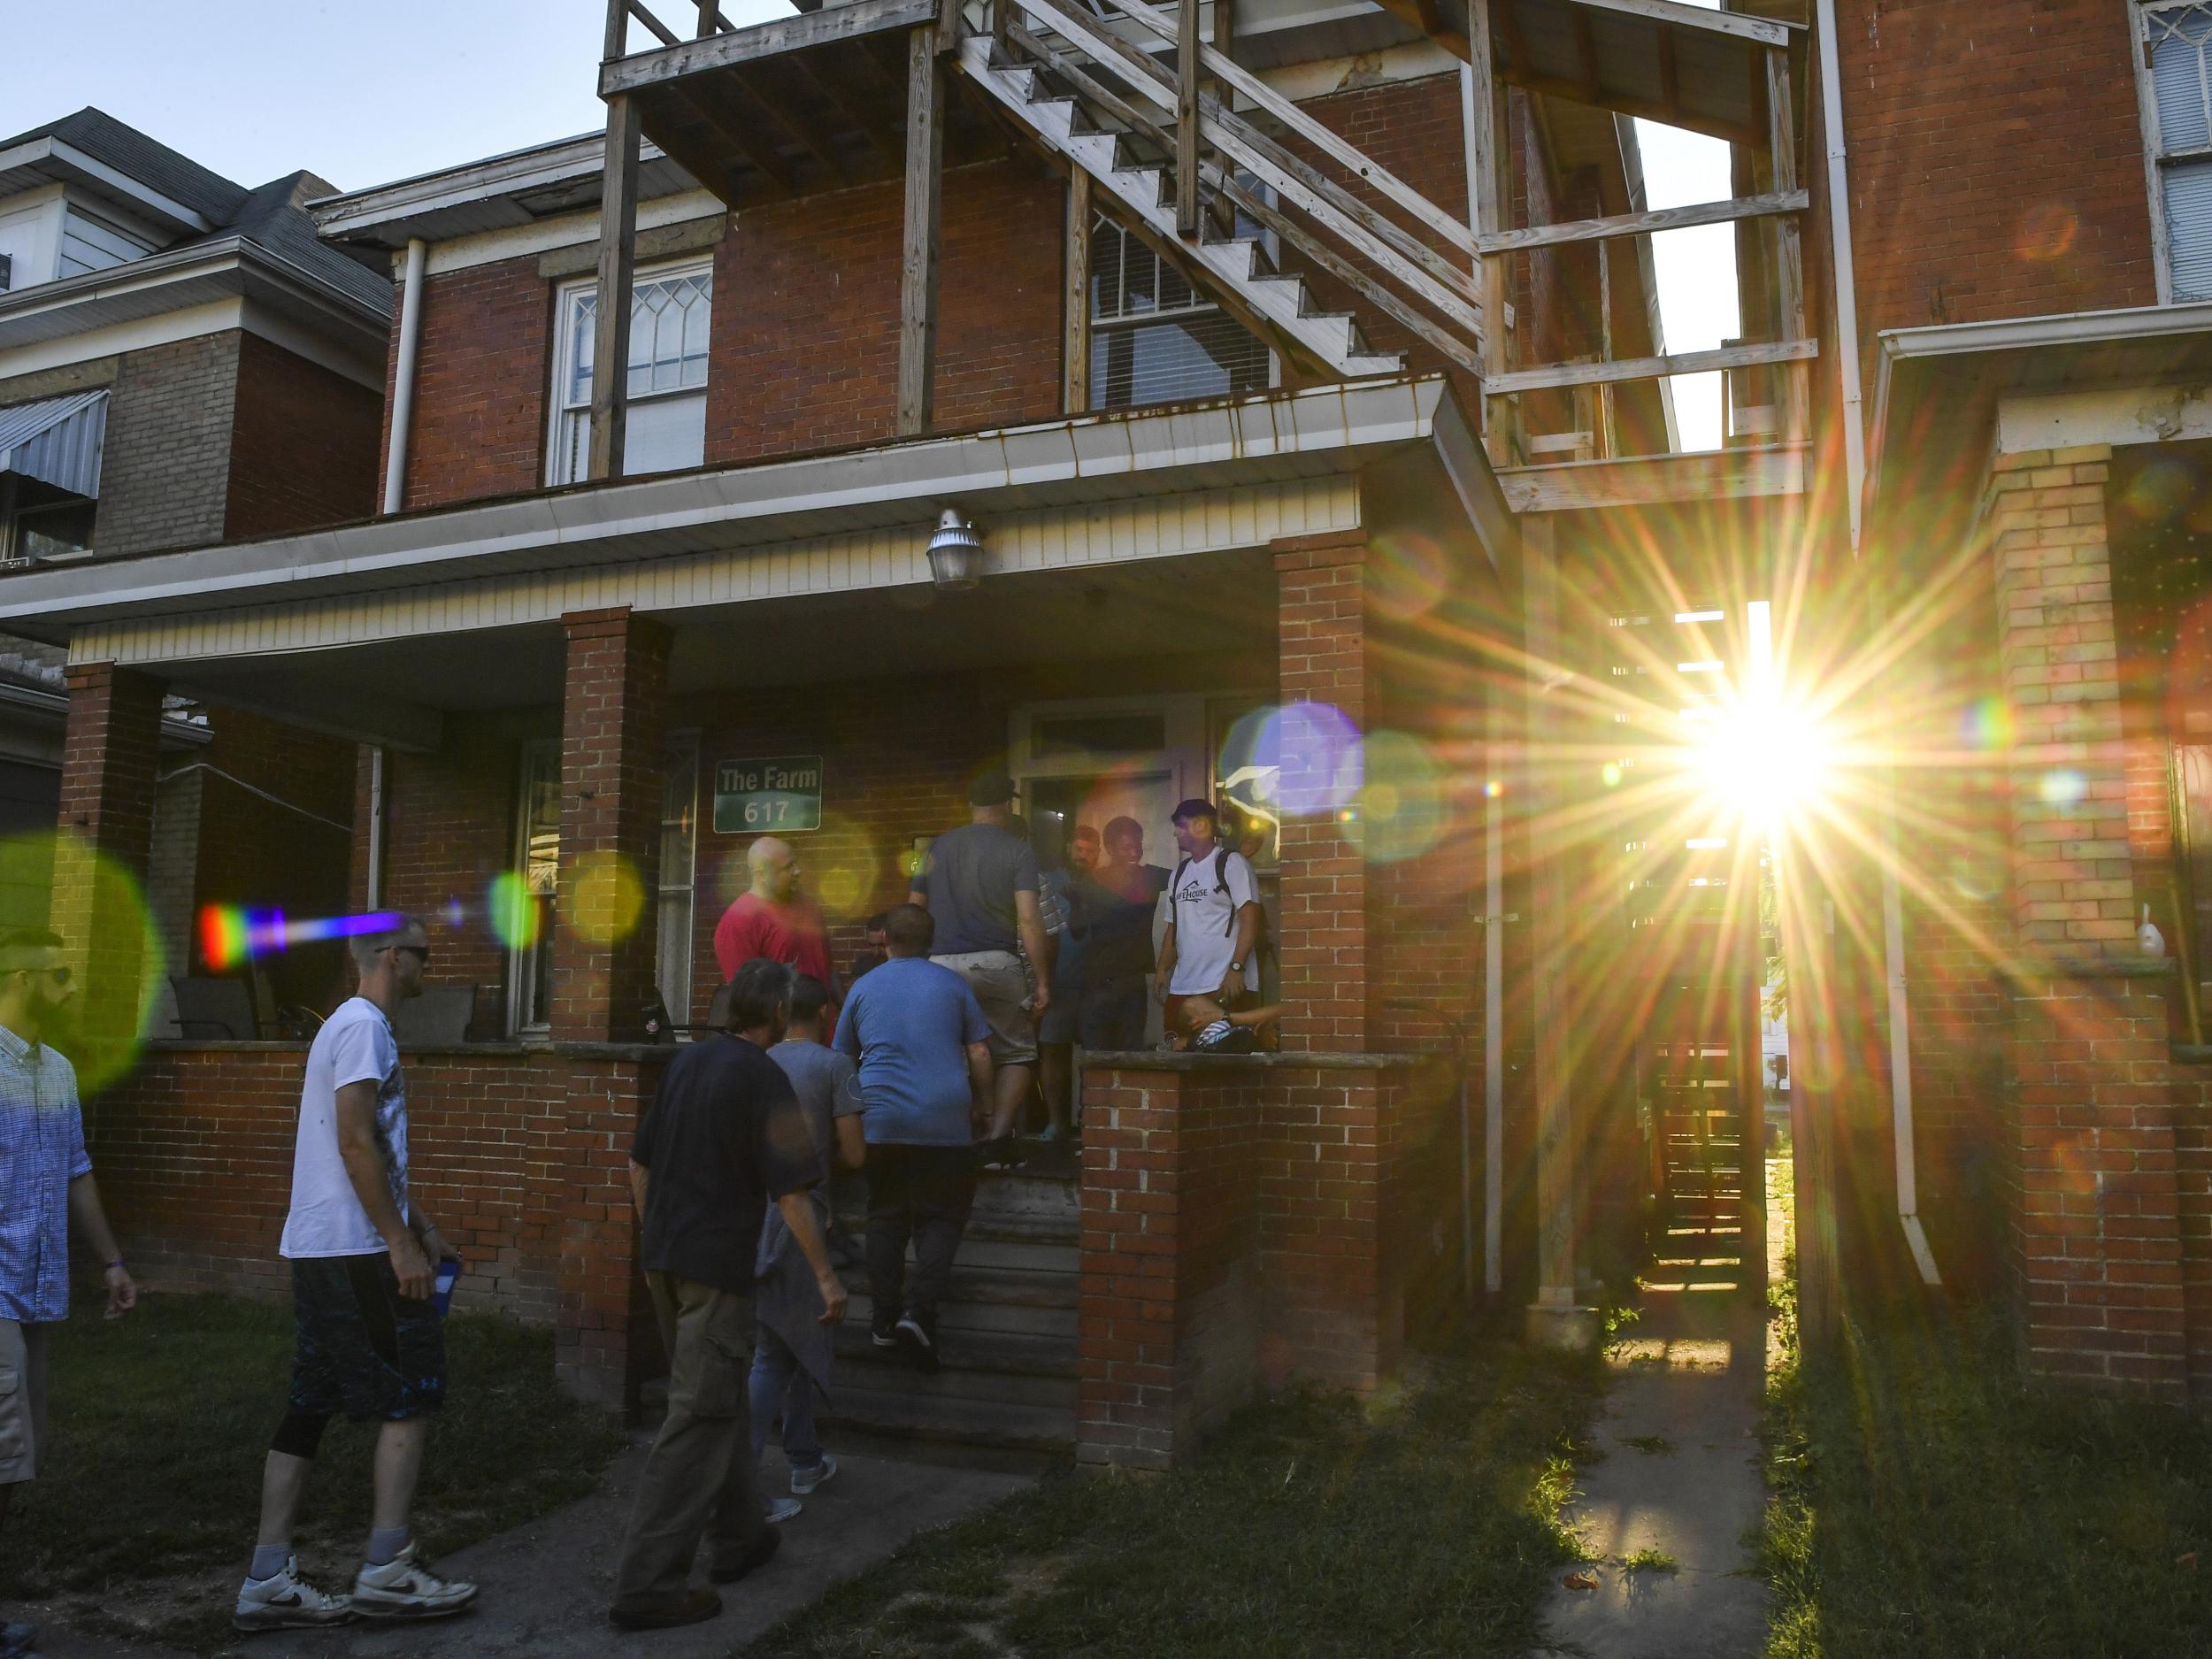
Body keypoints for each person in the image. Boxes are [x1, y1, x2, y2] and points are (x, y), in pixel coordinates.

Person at [236, 913, 475, 1632]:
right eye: (426, 953)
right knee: (413, 1385)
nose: (432, 964)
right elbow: (353, 1138)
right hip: (357, 1250)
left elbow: (367, 1145)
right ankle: (387, 1569)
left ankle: (267, 1577)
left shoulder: (344, 1023)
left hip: (324, 1246)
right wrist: (400, 1244)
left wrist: (419, 1222)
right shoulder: (366, 1024)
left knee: (310, 1400)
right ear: (394, 957)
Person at [611, 960, 846, 1632]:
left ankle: (743, 1537)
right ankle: (648, 1586)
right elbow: (794, 1192)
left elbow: (638, 1162)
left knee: (715, 1398)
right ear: (771, 1009)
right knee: (698, 1418)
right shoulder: (763, 1076)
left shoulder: (687, 1063)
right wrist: (826, 1277)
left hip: (666, 1261)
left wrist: (655, 1234)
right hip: (715, 1271)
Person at [0, 928, 136, 1659]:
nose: (71, 987)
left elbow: (77, 1169)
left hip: (37, 1289)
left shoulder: (55, 1071)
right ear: (20, 977)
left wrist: (111, 1261)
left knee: (18, 1459)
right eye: (59, 974)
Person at [833, 905, 992, 1373]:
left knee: (885, 1217)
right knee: (942, 1218)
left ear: (885, 940)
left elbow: (842, 1057)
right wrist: (985, 1109)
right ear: (931, 941)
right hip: (945, 1120)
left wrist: (847, 1117)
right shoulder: (952, 985)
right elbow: (980, 1050)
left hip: (882, 1121)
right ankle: (920, 1314)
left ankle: (883, 1322)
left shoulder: (863, 988)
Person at [751, 974, 864, 1516]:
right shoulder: (833, 1066)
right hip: (802, 1216)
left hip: (751, 1213)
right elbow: (856, 1154)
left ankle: (804, 1458)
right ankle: (740, 1480)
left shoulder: (756, 1061)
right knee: (774, 1353)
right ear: (824, 1012)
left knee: (785, 1341)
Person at [907, 772, 1048, 1150]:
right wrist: (1043, 981)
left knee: (946, 1050)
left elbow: (912, 912)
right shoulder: (1018, 850)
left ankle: (953, 1134)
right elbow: (1030, 919)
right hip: (996, 962)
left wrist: (910, 968)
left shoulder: (936, 848)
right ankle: (998, 1136)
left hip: (938, 965)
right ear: (1007, 805)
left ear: (972, 806)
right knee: (1017, 1052)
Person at [1155, 800, 1263, 1035]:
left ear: (1201, 825)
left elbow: (1250, 918)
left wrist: (1236, 968)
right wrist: (1163, 968)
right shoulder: (1179, 873)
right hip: (1183, 986)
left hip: (1224, 984)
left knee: (1223, 1059)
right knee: (1178, 1054)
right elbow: (1174, 927)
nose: (1176, 832)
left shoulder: (1231, 863)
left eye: (1180, 826)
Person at [714, 838, 840, 1023]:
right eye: (788, 867)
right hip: (783, 1041)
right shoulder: (738, 922)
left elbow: (828, 968)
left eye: (795, 863)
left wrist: (847, 1010)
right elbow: (747, 1000)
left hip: (827, 1035)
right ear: (762, 874)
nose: (798, 871)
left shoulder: (809, 906)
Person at [1079, 816, 1169, 1052]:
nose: (1134, 852)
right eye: (1127, 847)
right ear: (1110, 848)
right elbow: (1077, 931)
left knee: (1128, 1059)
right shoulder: (1092, 881)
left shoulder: (1149, 876)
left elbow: (1191, 876)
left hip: (1130, 981)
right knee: (1097, 1060)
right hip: (1099, 981)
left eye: (1138, 845)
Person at [1035, 822, 1099, 1141]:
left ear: (1098, 853)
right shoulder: (1048, 883)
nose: (1083, 856)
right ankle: (1055, 1122)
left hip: (1098, 984)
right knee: (1053, 1052)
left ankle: (1092, 1122)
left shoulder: (1105, 884)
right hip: (1058, 982)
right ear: (1068, 850)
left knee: (1095, 1056)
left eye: (1089, 851)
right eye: (1078, 849)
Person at [847, 913, 891, 987]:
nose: (877, 952)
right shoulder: (862, 965)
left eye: (882, 945)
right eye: (872, 945)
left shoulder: (905, 965)